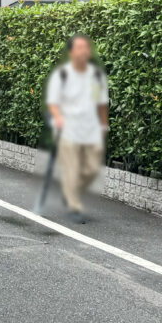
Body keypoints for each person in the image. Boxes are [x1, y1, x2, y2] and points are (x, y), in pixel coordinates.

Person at [46, 34, 109, 224]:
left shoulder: (96, 76)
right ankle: (73, 205)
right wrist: (57, 118)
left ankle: (69, 190)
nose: (84, 51)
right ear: (71, 52)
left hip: (90, 130)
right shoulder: (62, 75)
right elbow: (53, 102)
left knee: (91, 169)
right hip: (68, 130)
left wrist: (104, 124)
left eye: (86, 48)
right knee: (72, 169)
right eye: (80, 48)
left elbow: (101, 103)